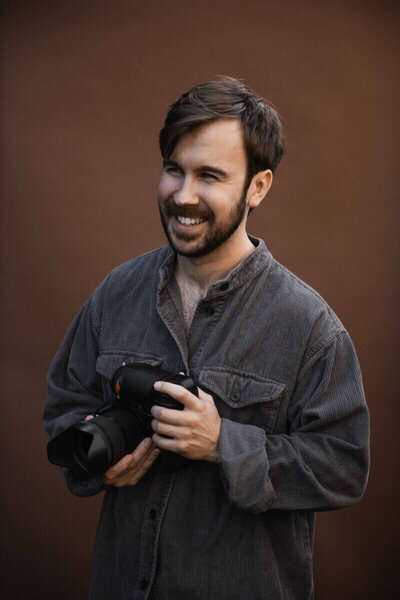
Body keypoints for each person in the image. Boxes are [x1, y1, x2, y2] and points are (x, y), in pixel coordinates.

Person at [43, 77, 370, 600]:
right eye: (175, 169)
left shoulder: (310, 327)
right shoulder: (115, 294)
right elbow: (63, 405)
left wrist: (224, 445)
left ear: (258, 187)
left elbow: (344, 468)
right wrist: (99, 462)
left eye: (210, 176)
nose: (183, 195)